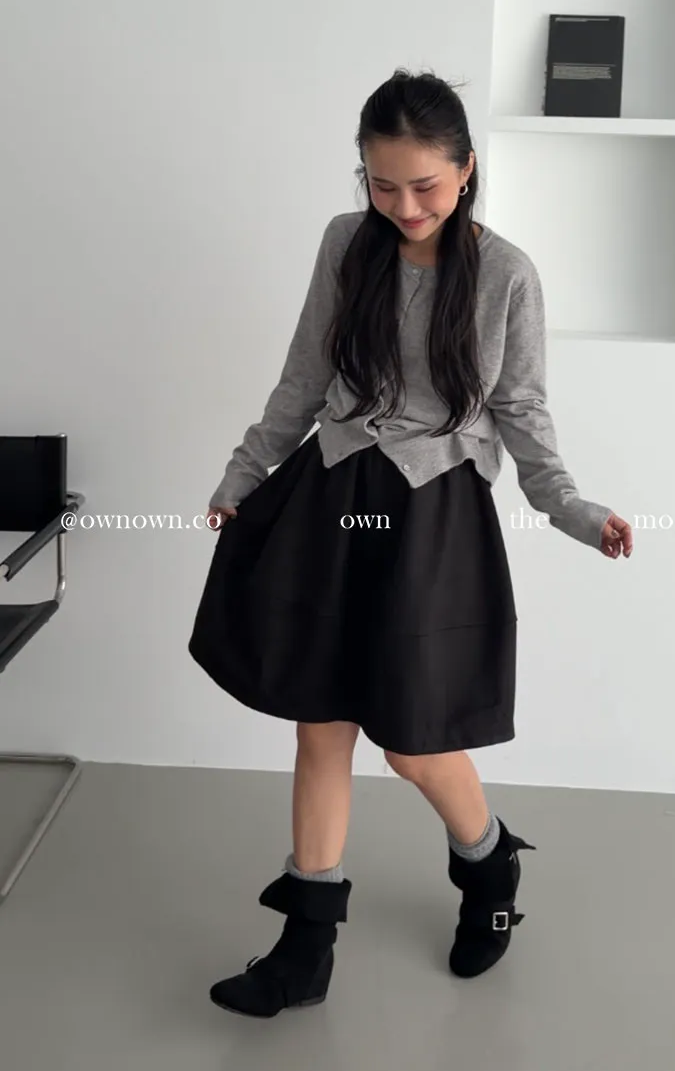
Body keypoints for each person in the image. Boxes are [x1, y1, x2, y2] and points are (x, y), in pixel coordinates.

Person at [188, 68, 633, 1020]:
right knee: (320, 721)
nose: (404, 206)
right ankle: (304, 949)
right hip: (335, 493)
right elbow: (303, 376)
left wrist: (573, 509)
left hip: (434, 516)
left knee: (414, 741)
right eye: (382, 184)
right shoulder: (345, 244)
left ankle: (489, 861)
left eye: (425, 185)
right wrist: (243, 474)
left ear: (466, 169)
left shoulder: (507, 273)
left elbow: (521, 410)